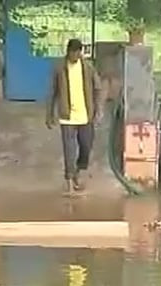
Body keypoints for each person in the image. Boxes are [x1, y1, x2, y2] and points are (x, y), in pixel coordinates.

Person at [46, 38, 103, 194]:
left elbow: (98, 89)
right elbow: (52, 92)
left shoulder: (88, 68)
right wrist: (49, 114)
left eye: (78, 52)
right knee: (69, 150)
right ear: (68, 52)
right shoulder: (59, 68)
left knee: (86, 146)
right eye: (73, 52)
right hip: (67, 116)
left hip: (86, 115)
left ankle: (78, 171)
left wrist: (99, 110)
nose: (75, 55)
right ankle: (69, 184)